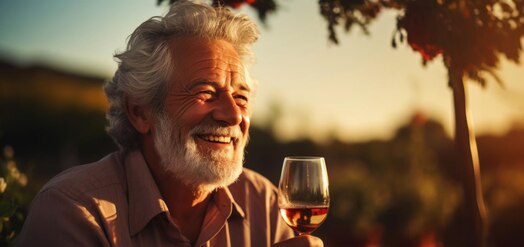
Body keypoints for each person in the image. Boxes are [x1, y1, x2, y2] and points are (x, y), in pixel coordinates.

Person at [17, 1, 323, 246]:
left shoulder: (266, 203)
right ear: (140, 112)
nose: (232, 115)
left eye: (241, 98)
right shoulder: (73, 211)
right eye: (206, 93)